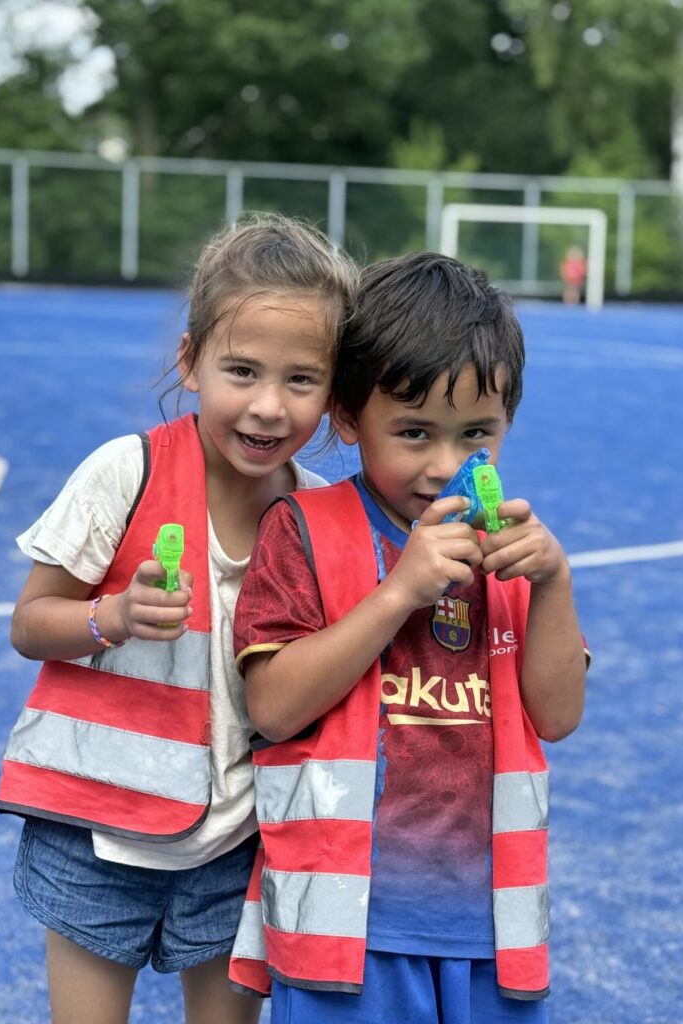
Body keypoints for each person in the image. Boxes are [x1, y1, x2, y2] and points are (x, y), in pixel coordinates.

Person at [0, 213, 358, 1024]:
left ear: (334, 394)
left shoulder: (312, 516)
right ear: (191, 363)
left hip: (236, 841)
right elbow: (29, 624)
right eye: (242, 371)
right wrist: (111, 616)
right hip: (95, 836)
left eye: (301, 380)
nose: (268, 406)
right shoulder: (126, 470)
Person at [227, 252, 588, 1023]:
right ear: (350, 417)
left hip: (491, 925)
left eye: (477, 435)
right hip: (347, 930)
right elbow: (273, 707)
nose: (447, 466)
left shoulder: (511, 548)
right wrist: (397, 594)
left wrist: (554, 583)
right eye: (415, 432)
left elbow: (556, 715)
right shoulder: (303, 531)